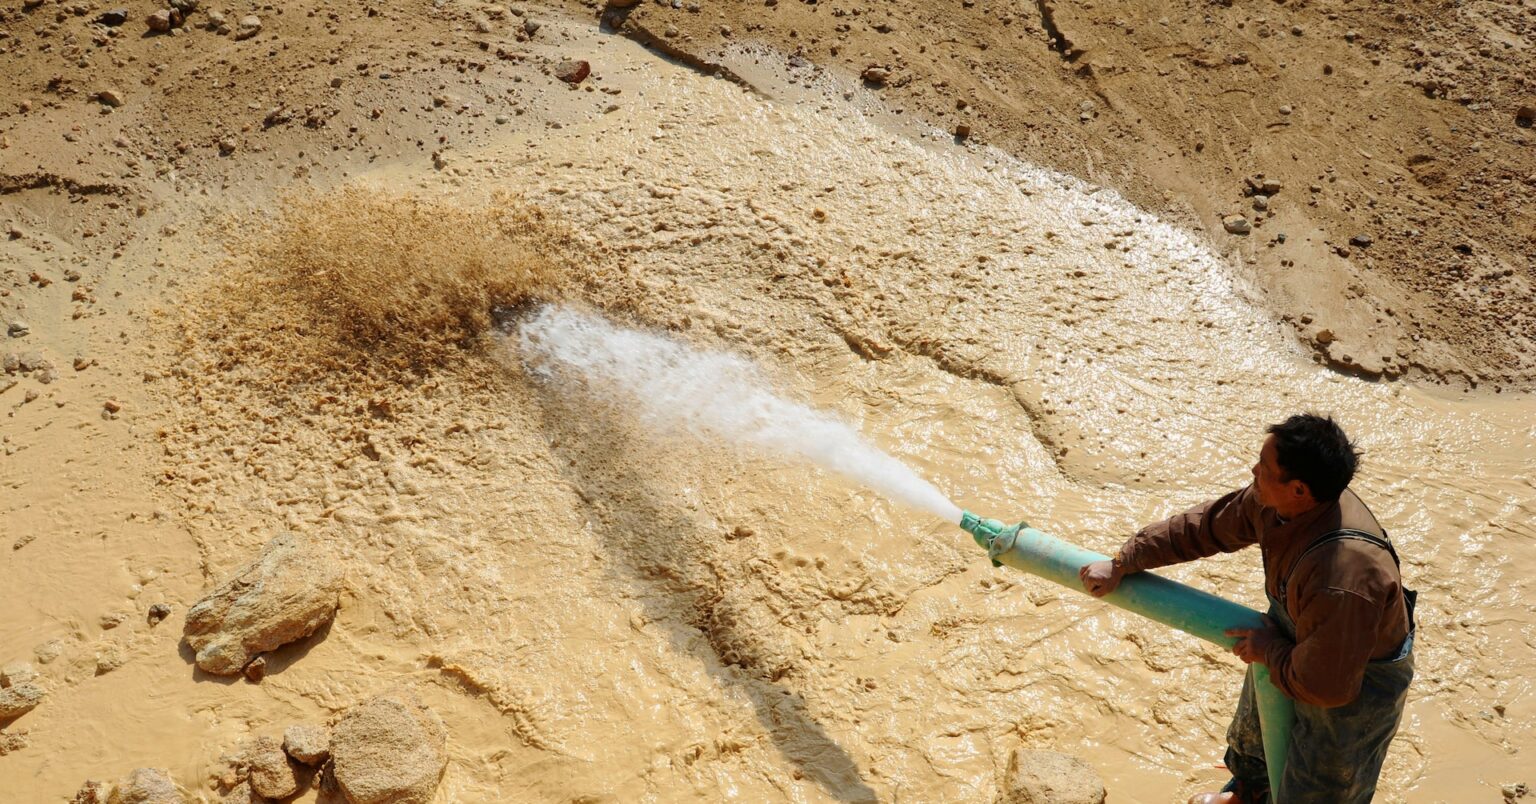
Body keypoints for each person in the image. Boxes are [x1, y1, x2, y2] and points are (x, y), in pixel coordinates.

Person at [1078, 413, 1415, 804]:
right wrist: (1124, 561)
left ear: (1299, 490)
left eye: (1264, 467)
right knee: (1257, 735)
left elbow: (1326, 687)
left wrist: (1269, 650)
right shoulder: (1275, 504)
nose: (1253, 470)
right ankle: (1248, 795)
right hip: (1294, 637)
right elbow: (1204, 527)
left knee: (1320, 787)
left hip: (1351, 680)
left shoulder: (1343, 576)